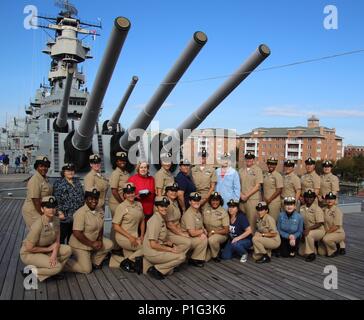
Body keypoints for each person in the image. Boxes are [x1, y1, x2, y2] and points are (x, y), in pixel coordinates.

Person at [20, 196, 72, 282]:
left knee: (68, 250)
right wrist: (48, 249)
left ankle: (50, 271)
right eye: (48, 207)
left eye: (53, 207)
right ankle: (31, 272)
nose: (51, 209)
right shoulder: (38, 225)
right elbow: (29, 247)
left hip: (46, 250)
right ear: (42, 209)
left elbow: (57, 241)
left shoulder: (56, 220)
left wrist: (54, 253)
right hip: (30, 253)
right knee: (57, 267)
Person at [65, 188, 113, 274]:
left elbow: (101, 226)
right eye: (90, 198)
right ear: (85, 199)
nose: (94, 201)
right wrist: (91, 243)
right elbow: (77, 233)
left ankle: (93, 262)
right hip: (80, 245)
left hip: (93, 241)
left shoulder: (100, 210)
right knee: (86, 270)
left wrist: (100, 240)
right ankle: (62, 264)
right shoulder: (80, 213)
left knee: (109, 244)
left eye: (96, 199)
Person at [143, 196, 185, 280]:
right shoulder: (155, 220)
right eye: (161, 206)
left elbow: (162, 239)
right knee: (182, 257)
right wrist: (170, 249)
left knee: (170, 270)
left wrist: (172, 245)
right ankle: (155, 269)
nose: (164, 208)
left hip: (157, 249)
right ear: (156, 207)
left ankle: (156, 266)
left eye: (166, 206)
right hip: (152, 252)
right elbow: (153, 245)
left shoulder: (160, 218)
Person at [112, 183, 145, 274]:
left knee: (136, 263)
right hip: (124, 237)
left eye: (132, 192)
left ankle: (114, 260)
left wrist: (142, 235)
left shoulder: (139, 204)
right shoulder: (121, 207)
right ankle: (125, 262)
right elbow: (115, 226)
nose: (131, 194)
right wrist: (130, 237)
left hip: (135, 236)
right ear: (124, 195)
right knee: (146, 248)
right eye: (128, 193)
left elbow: (142, 221)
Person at [53, 163, 84, 244]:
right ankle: (61, 253)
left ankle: (70, 251)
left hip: (76, 214)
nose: (70, 172)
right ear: (64, 172)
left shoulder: (77, 182)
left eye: (72, 170)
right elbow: (56, 198)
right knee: (62, 236)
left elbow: (82, 196)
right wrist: (59, 212)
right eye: (68, 171)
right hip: (65, 215)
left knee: (72, 236)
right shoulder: (58, 183)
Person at [22, 155, 53, 228]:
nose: (44, 168)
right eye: (41, 166)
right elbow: (35, 200)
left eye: (46, 166)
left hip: (41, 209)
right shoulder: (35, 180)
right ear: (36, 167)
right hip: (34, 211)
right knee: (37, 234)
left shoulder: (44, 178)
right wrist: (43, 215)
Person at [181, 192, 208, 267]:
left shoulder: (197, 212)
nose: (197, 202)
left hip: (193, 236)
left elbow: (200, 226)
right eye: (194, 200)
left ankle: (195, 257)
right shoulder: (189, 214)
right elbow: (192, 233)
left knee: (204, 237)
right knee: (204, 239)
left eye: (198, 200)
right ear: (189, 202)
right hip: (186, 238)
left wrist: (202, 232)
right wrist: (203, 231)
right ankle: (193, 259)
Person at [239, 152, 263, 233]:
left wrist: (247, 195)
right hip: (241, 200)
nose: (249, 160)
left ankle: (251, 241)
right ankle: (243, 239)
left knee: (251, 221)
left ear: (253, 159)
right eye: (247, 158)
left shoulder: (257, 170)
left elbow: (258, 186)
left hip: (252, 199)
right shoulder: (241, 170)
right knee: (242, 220)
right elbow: (237, 184)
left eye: (251, 158)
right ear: (245, 160)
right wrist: (241, 195)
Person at [298, 190, 325, 262]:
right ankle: (314, 249)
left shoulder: (317, 209)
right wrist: (302, 232)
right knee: (301, 253)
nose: (309, 199)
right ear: (304, 198)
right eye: (307, 197)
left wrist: (308, 229)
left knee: (309, 234)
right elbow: (301, 222)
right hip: (307, 230)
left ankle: (311, 254)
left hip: (319, 230)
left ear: (314, 198)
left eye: (311, 197)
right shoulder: (301, 208)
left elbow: (319, 223)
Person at [165, 182, 192, 254]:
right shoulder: (167, 204)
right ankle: (172, 258)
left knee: (190, 236)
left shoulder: (174, 202)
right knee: (187, 242)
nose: (174, 193)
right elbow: (169, 225)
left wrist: (182, 231)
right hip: (168, 233)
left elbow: (176, 221)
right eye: (171, 190)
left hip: (176, 229)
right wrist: (181, 234)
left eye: (175, 191)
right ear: (166, 192)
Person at [202, 192, 229, 262]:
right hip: (208, 233)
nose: (215, 202)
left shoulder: (223, 212)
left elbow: (226, 230)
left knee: (212, 240)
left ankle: (215, 255)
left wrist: (213, 232)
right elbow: (202, 223)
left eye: (217, 200)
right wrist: (203, 230)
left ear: (220, 201)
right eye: (213, 200)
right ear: (210, 201)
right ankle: (209, 251)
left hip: (220, 234)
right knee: (204, 260)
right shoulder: (206, 209)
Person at [318, 192, 346, 257]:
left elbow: (336, 226)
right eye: (328, 199)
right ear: (325, 200)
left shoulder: (337, 211)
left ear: (335, 200)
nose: (329, 200)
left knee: (326, 239)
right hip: (328, 233)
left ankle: (334, 250)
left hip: (337, 233)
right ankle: (335, 244)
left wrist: (326, 233)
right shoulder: (323, 209)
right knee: (321, 252)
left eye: (332, 199)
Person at [109, 152, 130, 216]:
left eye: (124, 160)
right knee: (116, 223)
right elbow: (114, 191)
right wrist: (122, 203)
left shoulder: (126, 173)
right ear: (116, 162)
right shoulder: (116, 173)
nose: (122, 162)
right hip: (116, 204)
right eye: (120, 160)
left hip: (124, 202)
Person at [263, 157, 283, 222]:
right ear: (267, 164)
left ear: (275, 165)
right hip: (265, 201)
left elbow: (279, 190)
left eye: (273, 164)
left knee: (272, 221)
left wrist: (269, 199)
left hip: (273, 202)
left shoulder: (278, 175)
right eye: (269, 164)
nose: (271, 165)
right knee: (265, 220)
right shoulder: (265, 174)